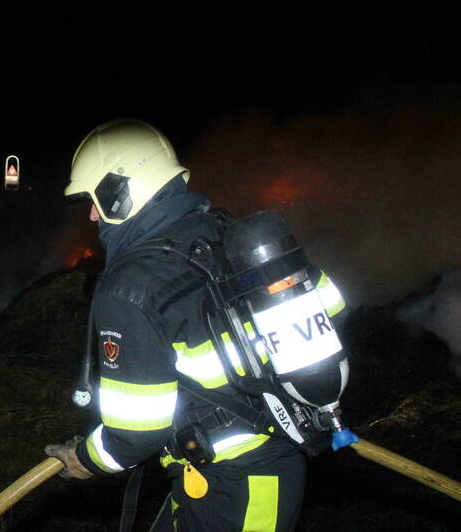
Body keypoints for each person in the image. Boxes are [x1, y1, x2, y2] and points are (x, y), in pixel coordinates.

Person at [44, 119, 348, 531]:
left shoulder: (130, 288)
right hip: (244, 469)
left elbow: (136, 430)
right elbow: (330, 303)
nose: (93, 215)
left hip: (236, 487)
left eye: (96, 199)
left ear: (121, 192)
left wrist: (86, 458)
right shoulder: (222, 232)